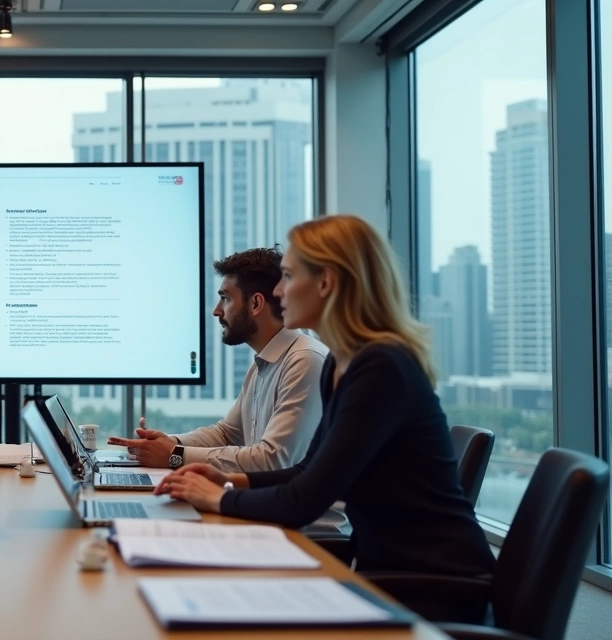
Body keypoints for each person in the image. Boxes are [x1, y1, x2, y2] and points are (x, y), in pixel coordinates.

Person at [154, 215, 495, 619]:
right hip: (384, 574)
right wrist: (228, 480)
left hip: (434, 590)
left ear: (326, 282)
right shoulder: (342, 363)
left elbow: (304, 501)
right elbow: (306, 471)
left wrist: (219, 496)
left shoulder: (381, 367)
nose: (278, 291)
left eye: (287, 276)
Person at [108, 247, 327, 472]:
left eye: (225, 299)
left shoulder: (305, 361)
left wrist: (174, 456)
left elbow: (272, 460)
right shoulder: (262, 365)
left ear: (255, 304)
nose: (216, 311)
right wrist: (169, 443)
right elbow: (227, 434)